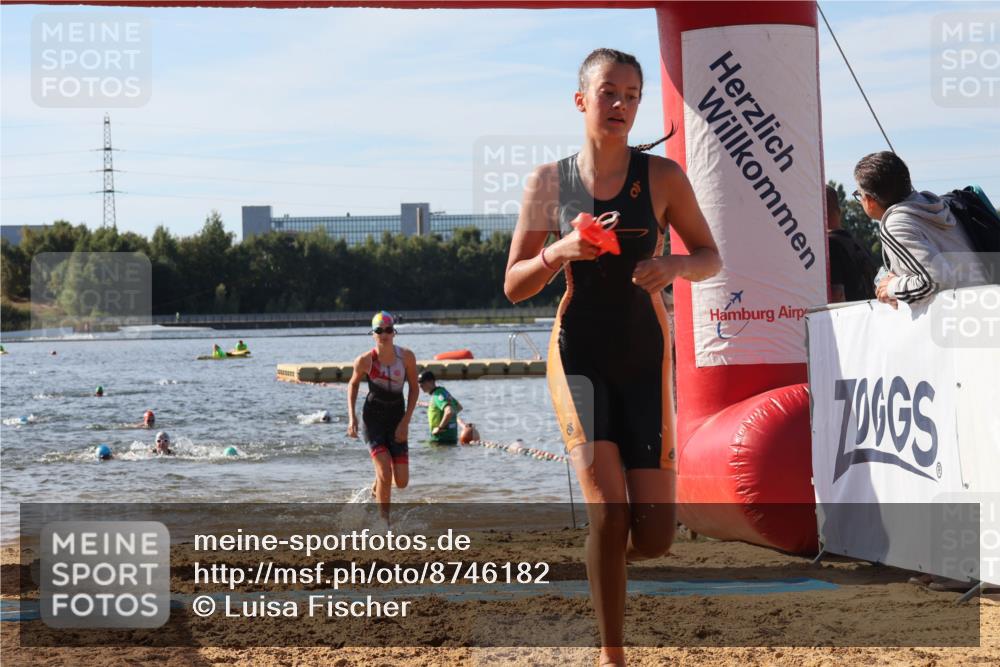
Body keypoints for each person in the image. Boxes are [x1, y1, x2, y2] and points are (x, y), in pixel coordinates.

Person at [503, 48, 721, 666]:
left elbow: (710, 256)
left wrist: (674, 265)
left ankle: (606, 563)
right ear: (582, 100)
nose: (620, 104)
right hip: (579, 356)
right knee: (608, 509)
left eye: (631, 94)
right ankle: (612, 655)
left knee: (652, 538)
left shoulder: (663, 178)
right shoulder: (549, 183)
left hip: (645, 359)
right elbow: (514, 285)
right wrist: (561, 250)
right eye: (608, 93)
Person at [853, 151, 983, 307]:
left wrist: (892, 287)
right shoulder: (935, 206)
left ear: (870, 200)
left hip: (961, 316)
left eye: (859, 194)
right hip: (984, 305)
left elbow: (937, 280)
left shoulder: (896, 224)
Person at [346, 311, 418, 521]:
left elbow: (414, 389)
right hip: (373, 419)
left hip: (397, 417)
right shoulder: (365, 361)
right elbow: (352, 384)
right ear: (373, 334)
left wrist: (405, 422)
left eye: (388, 330)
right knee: (385, 472)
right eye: (379, 330)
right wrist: (352, 418)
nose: (384, 334)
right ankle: (384, 523)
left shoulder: (406, 357)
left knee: (401, 482)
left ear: (394, 333)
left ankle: (378, 484)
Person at [826, 185, 876, 302]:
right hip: (869, 316)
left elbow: (837, 296)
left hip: (848, 319)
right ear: (839, 210)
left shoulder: (830, 246)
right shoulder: (858, 244)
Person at [417, 370, 462, 445]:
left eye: (422, 383)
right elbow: (458, 407)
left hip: (440, 440)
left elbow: (449, 411)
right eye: (419, 383)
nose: (420, 385)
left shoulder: (437, 395)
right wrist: (432, 406)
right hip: (451, 439)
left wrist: (440, 428)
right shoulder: (443, 392)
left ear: (431, 381)